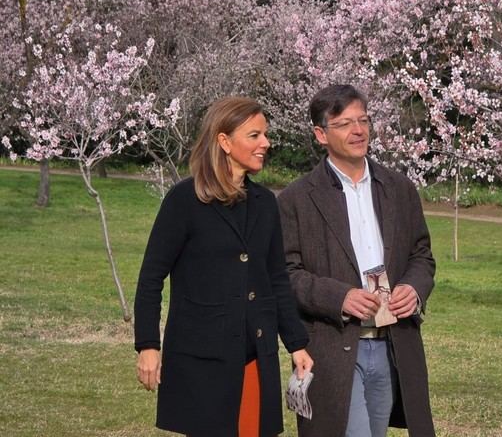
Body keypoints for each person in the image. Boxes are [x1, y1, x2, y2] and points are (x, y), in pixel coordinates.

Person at [134, 97, 313, 437]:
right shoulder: (184, 200)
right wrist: (147, 345)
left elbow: (276, 279)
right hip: (202, 359)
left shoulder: (266, 204)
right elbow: (151, 277)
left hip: (254, 357)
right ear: (224, 141)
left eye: (265, 135)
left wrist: (296, 343)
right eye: (255, 135)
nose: (266, 143)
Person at [278, 85, 436, 437]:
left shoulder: (399, 188)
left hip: (392, 343)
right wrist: (340, 297)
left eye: (363, 120)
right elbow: (286, 275)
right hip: (333, 347)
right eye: (346, 123)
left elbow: (421, 254)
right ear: (321, 134)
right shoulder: (296, 200)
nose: (359, 130)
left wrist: (413, 287)